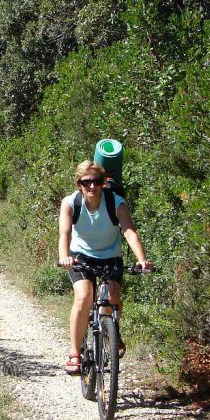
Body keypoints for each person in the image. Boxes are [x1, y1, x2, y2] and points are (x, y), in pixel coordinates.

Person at [57, 160, 152, 375]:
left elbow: (129, 232)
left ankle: (111, 332)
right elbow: (65, 233)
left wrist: (142, 259)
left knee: (113, 298)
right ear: (79, 183)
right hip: (81, 256)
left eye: (97, 181)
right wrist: (64, 256)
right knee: (83, 296)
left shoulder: (115, 202)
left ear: (103, 183)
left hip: (110, 256)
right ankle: (75, 353)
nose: (92, 186)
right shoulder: (71, 203)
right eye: (87, 181)